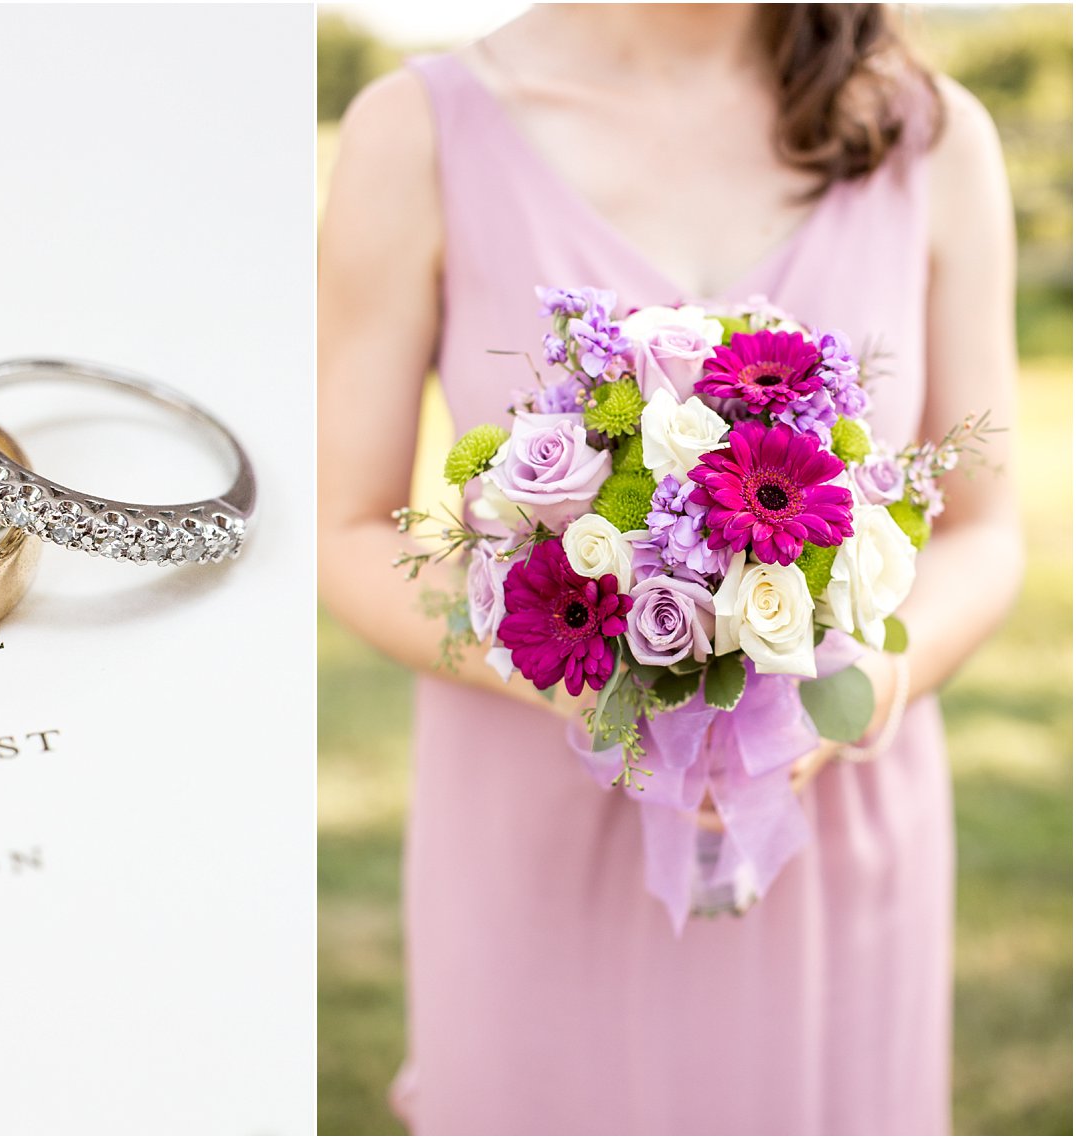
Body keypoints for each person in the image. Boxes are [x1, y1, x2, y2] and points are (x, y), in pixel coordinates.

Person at [316, 4, 1021, 1134]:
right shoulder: (418, 131)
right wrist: (593, 673)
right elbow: (346, 528)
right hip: (533, 829)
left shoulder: (931, 139)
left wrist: (852, 697)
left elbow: (986, 530)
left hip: (836, 825)